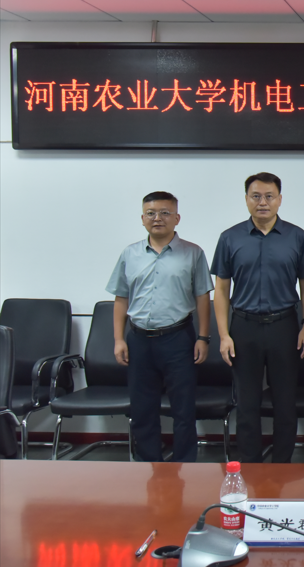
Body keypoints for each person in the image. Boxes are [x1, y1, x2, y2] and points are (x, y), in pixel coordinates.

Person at [211, 173, 304, 463]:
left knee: (285, 401)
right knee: (247, 403)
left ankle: (282, 465)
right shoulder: (230, 237)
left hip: (285, 326)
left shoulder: (297, 237)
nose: (262, 202)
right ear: (246, 199)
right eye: (256, 196)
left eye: (269, 196)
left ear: (279, 200)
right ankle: (250, 465)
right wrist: (224, 334)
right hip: (243, 327)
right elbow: (221, 290)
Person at [107, 191, 213, 462]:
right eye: (151, 213)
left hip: (178, 338)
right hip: (139, 339)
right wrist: (119, 339)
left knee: (183, 408)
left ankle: (184, 465)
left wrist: (203, 337)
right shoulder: (129, 254)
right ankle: (148, 464)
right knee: (142, 408)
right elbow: (121, 298)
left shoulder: (193, 253)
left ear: (177, 218)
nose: (158, 218)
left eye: (165, 213)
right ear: (142, 218)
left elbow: (203, 297)